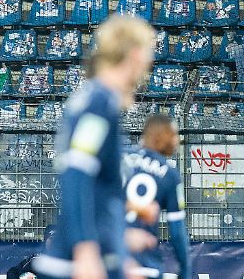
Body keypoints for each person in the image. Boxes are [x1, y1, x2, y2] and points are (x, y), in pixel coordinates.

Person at [26, 16, 157, 279]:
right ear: (133, 54)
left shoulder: (96, 99)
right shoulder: (98, 104)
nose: (149, 65)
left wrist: (118, 242)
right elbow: (76, 175)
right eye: (148, 55)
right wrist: (86, 250)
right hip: (75, 262)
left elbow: (98, 190)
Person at [124, 115, 191, 279]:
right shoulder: (170, 175)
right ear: (161, 136)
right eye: (173, 135)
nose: (177, 140)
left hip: (108, 260)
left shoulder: (119, 158)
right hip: (145, 263)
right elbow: (177, 232)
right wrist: (185, 268)